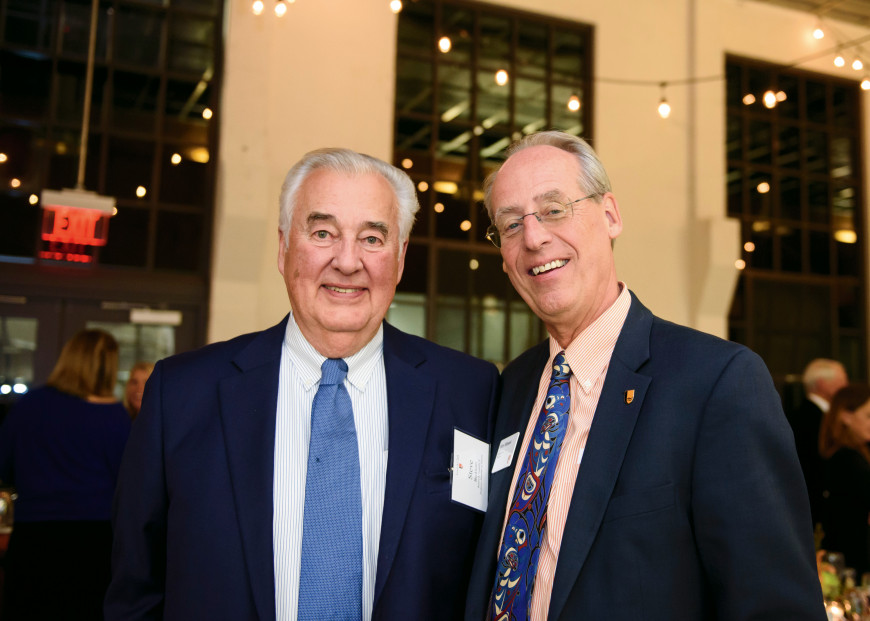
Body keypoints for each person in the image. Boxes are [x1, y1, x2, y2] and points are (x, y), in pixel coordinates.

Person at [105, 148, 499, 620]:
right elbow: (136, 591)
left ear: (400, 258)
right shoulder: (183, 394)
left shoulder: (469, 392)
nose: (347, 261)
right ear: (283, 247)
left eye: (372, 238)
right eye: (322, 233)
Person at [464, 131, 825, 620]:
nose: (533, 238)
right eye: (510, 225)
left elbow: (776, 608)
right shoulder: (511, 388)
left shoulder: (717, 384)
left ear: (610, 215)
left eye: (554, 209)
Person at [0, 329, 131, 620]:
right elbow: (128, 483)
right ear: (107, 366)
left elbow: (5, 466)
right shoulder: (115, 418)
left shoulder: (29, 407)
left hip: (34, 534)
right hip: (93, 538)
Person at [788, 358, 848, 525]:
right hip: (816, 509)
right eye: (842, 380)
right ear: (822, 383)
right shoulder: (816, 419)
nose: (846, 385)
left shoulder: (800, 414)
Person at [818, 384, 870, 576]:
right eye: (868, 416)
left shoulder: (854, 455)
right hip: (851, 565)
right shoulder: (847, 459)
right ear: (845, 416)